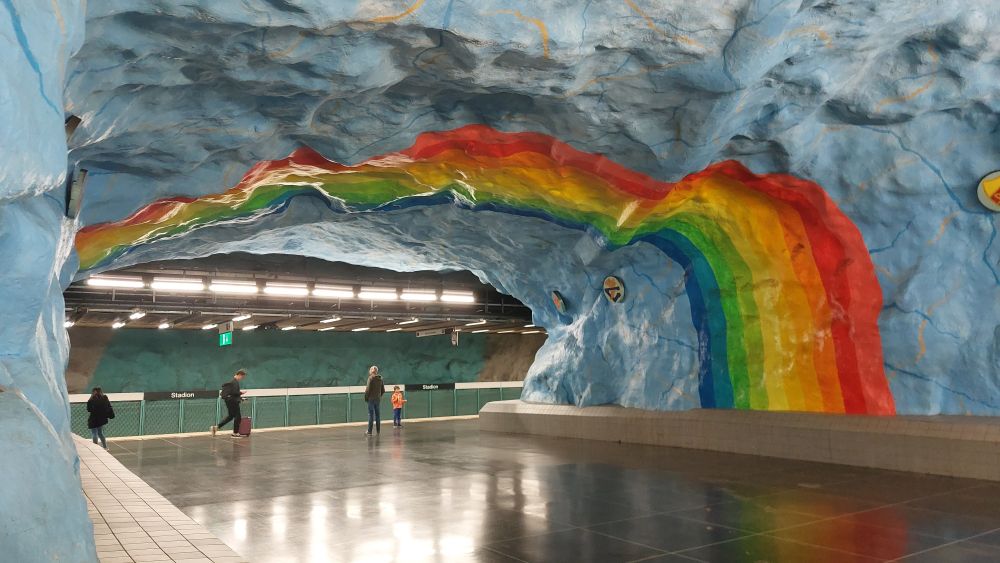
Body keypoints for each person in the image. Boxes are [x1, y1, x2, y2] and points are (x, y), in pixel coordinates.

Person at [212, 369, 247, 437]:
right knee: (238, 417)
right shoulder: (234, 382)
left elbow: (233, 394)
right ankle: (235, 433)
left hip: (230, 401)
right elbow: (234, 393)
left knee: (231, 416)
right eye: (242, 377)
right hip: (232, 401)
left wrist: (241, 398)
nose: (242, 379)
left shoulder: (233, 382)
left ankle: (216, 427)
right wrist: (241, 393)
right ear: (239, 375)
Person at [364, 365, 386, 436]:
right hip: (377, 399)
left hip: (371, 399)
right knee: (378, 415)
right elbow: (383, 390)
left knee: (371, 415)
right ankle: (378, 431)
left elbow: (367, 390)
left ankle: (369, 431)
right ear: (376, 371)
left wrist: (366, 398)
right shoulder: (381, 379)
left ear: (371, 371)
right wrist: (379, 396)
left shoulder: (370, 378)